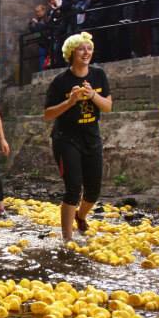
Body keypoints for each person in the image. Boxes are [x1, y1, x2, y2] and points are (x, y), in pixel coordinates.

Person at [43, 32, 112, 242]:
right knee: (73, 188)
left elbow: (108, 106)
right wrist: (70, 101)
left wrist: (93, 95)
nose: (86, 52)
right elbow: (47, 115)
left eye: (89, 48)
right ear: (71, 53)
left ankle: (80, 216)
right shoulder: (60, 81)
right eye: (81, 49)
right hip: (66, 138)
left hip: (92, 137)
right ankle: (67, 240)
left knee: (93, 191)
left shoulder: (99, 75)